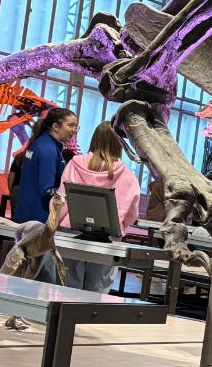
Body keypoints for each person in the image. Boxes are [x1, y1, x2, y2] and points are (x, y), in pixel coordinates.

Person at [57, 120, 142, 291]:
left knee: (67, 284)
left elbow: (62, 198)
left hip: (72, 229)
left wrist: (57, 222)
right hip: (108, 235)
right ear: (120, 142)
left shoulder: (74, 164)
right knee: (98, 288)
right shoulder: (126, 174)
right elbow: (132, 213)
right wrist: (121, 225)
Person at [16, 106, 77, 223]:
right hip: (38, 218)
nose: (74, 130)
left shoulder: (39, 143)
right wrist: (70, 198)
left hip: (27, 214)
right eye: (71, 125)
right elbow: (47, 190)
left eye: (75, 126)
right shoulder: (48, 149)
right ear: (55, 127)